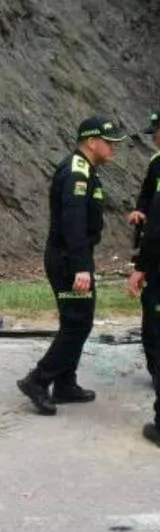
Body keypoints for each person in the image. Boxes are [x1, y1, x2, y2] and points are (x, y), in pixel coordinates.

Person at [18, 115, 127, 415]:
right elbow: (73, 222)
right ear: (92, 141)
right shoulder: (77, 172)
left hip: (73, 257)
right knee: (78, 323)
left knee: (75, 321)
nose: (113, 148)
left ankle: (65, 383)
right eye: (109, 142)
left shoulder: (87, 170)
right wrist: (81, 267)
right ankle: (38, 380)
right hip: (68, 259)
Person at [127, 110, 160, 446]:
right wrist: (141, 212)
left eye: (157, 131)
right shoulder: (156, 163)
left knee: (154, 323)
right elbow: (147, 198)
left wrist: (141, 267)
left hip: (158, 262)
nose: (153, 137)